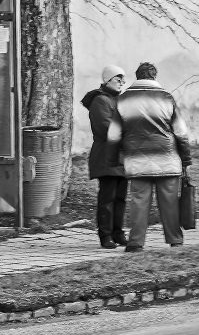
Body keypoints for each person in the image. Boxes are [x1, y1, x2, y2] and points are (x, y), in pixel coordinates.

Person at [107, 62, 192, 252]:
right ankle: (175, 240)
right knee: (169, 201)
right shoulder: (166, 98)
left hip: (137, 161)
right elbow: (181, 132)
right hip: (167, 159)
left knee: (138, 202)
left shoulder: (123, 100)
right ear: (154, 77)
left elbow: (113, 134)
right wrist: (186, 159)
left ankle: (136, 242)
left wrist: (113, 160)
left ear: (137, 77)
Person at [81, 65, 128, 249]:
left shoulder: (119, 100)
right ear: (108, 80)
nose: (122, 83)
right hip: (107, 156)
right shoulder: (101, 101)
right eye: (118, 79)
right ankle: (105, 235)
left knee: (121, 198)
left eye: (123, 79)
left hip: (122, 156)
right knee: (107, 198)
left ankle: (118, 232)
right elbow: (107, 128)